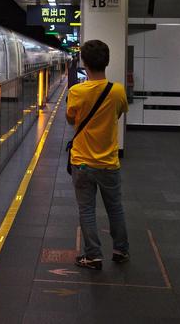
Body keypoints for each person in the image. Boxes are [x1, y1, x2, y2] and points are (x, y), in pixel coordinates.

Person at [66, 39, 129, 270]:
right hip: (109, 162)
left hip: (82, 162)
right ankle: (121, 250)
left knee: (87, 210)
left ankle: (93, 256)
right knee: (115, 208)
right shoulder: (118, 91)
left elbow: (71, 119)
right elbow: (118, 114)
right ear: (107, 61)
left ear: (83, 62)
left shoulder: (76, 91)